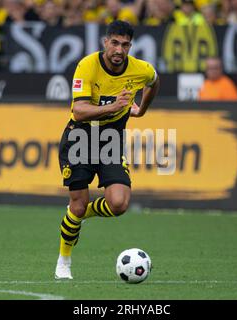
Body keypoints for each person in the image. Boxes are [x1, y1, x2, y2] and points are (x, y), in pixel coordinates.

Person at [55, 20, 160, 280]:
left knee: (119, 204)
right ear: (105, 42)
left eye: (125, 45)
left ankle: (76, 215)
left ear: (130, 47)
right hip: (80, 137)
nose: (119, 50)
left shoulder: (140, 69)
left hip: (111, 140)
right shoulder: (87, 65)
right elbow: (79, 110)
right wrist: (112, 107)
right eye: (114, 43)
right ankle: (64, 261)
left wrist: (142, 109)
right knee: (78, 204)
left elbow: (154, 81)